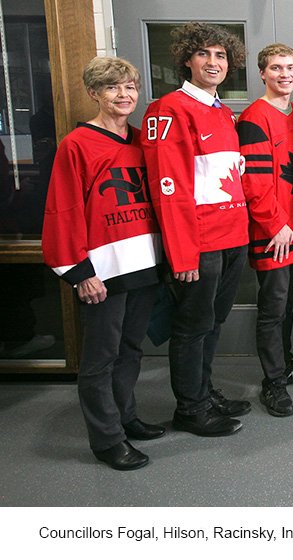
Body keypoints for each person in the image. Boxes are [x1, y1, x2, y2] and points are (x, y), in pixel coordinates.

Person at [42, 56, 162, 470]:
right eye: (113, 88)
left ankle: (125, 417)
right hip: (103, 271)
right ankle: (107, 439)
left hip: (142, 262)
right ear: (94, 93)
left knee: (131, 349)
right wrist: (80, 273)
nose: (124, 95)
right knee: (100, 357)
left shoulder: (141, 139)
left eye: (130, 87)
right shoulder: (77, 145)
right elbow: (63, 210)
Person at [142, 22, 249, 436]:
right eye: (204, 53)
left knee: (213, 323)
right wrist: (181, 254)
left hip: (232, 235)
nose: (213, 62)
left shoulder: (222, 111)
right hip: (199, 243)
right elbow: (169, 188)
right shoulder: (168, 109)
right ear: (187, 59)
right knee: (191, 327)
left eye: (221, 55)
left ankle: (203, 392)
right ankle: (190, 408)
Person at [238, 43, 293, 417]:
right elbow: (252, 182)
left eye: (290, 67)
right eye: (275, 68)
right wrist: (275, 225)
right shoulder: (254, 118)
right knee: (273, 309)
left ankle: (286, 364)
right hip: (275, 232)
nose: (284, 74)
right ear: (262, 74)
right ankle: (273, 382)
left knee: (289, 306)